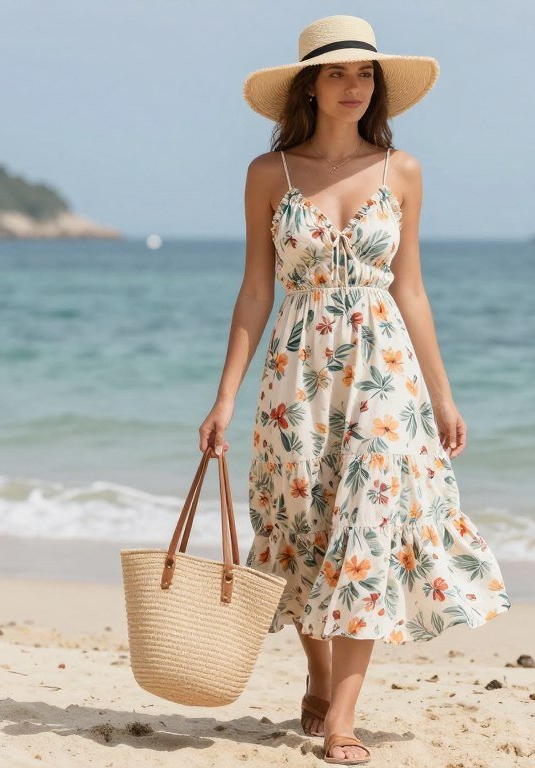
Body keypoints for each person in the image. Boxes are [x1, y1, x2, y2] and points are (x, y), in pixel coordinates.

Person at [199, 15, 511, 765]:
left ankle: (342, 716)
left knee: (367, 531)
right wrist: (224, 399)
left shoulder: (400, 170)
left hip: (383, 375)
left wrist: (442, 394)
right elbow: (253, 292)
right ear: (309, 85)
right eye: (336, 73)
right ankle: (316, 671)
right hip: (295, 378)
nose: (352, 86)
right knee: (303, 526)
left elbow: (412, 290)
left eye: (364, 74)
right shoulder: (267, 176)